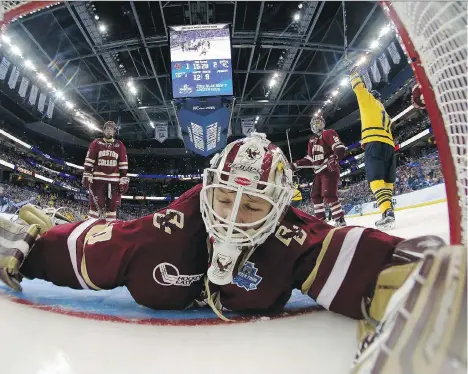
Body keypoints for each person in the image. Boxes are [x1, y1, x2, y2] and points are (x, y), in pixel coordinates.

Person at [0, 133, 463, 373]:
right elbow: (92, 252)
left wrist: (421, 279)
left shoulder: (293, 238)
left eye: (254, 203)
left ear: (281, 208)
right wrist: (37, 249)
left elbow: (381, 262)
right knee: (104, 232)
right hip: (128, 234)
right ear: (206, 192)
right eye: (224, 198)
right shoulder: (165, 232)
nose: (234, 214)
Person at [350, 67, 396, 229]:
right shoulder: (386, 113)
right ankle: (388, 210)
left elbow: (359, 88)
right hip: (389, 146)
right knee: (387, 181)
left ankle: (387, 212)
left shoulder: (368, 101)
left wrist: (353, 74)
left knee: (375, 180)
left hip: (374, 144)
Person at [292, 116, 347, 227]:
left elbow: (339, 147)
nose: (316, 125)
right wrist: (296, 164)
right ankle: (321, 221)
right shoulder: (312, 140)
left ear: (323, 124)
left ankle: (340, 220)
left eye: (318, 122)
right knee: (315, 195)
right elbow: (309, 159)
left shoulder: (328, 133)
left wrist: (334, 157)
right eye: (314, 123)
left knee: (329, 194)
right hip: (318, 172)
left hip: (329, 169)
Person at [82, 120, 129, 221]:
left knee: (112, 208)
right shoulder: (96, 143)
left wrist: (123, 179)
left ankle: (109, 230)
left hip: (114, 182)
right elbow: (89, 160)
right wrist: (87, 173)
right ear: (103, 130)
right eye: (107, 128)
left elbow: (123, 164)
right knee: (95, 206)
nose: (109, 131)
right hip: (97, 180)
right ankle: (90, 226)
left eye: (111, 129)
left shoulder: (120, 145)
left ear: (114, 131)